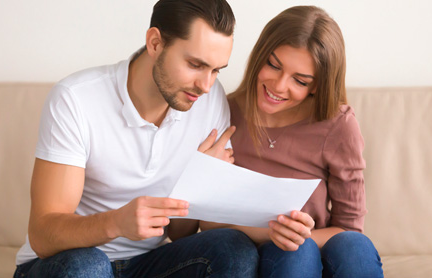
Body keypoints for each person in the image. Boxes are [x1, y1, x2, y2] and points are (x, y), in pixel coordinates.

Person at [14, 0, 260, 277]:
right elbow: (43, 235)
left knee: (233, 249)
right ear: (155, 43)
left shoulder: (208, 100)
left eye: (216, 70)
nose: (206, 85)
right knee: (88, 266)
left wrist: (196, 179)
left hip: (147, 262)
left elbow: (181, 234)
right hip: (68, 263)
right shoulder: (76, 99)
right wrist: (116, 223)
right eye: (195, 64)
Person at [200, 6, 384, 278]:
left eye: (300, 80)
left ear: (317, 86)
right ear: (259, 56)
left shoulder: (337, 124)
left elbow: (349, 229)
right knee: (295, 251)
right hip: (245, 256)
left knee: (352, 247)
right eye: (274, 65)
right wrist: (273, 233)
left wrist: (299, 236)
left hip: (316, 253)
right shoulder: (222, 112)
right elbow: (207, 224)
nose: (279, 85)